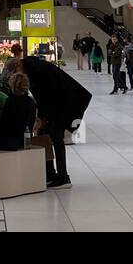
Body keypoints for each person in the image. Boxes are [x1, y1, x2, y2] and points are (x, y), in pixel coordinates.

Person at [22, 54, 91, 189]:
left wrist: (42, 117)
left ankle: (63, 177)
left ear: (19, 66)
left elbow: (45, 96)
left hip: (65, 104)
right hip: (60, 104)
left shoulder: (37, 72)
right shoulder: (35, 68)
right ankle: (51, 174)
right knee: (47, 135)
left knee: (56, 136)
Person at [0, 71, 36, 151]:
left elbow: (3, 122)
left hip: (10, 140)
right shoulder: (30, 102)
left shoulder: (10, 101)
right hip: (24, 139)